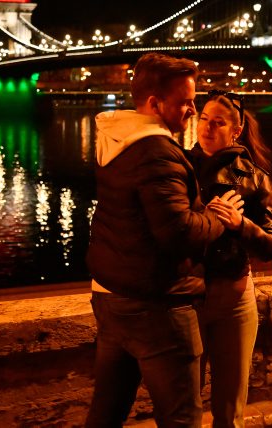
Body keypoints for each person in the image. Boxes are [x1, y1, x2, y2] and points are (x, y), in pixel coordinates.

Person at [85, 53, 236, 428]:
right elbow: (179, 233)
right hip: (158, 306)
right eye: (185, 102)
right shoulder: (157, 153)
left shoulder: (115, 141)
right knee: (181, 418)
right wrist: (218, 219)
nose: (192, 110)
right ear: (154, 103)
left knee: (106, 414)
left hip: (110, 296)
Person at [187, 90, 272, 428]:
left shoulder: (254, 177)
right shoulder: (180, 168)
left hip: (235, 300)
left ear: (236, 131)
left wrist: (241, 224)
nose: (207, 128)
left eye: (218, 123)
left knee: (230, 411)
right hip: (187, 298)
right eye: (204, 119)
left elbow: (270, 246)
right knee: (186, 406)